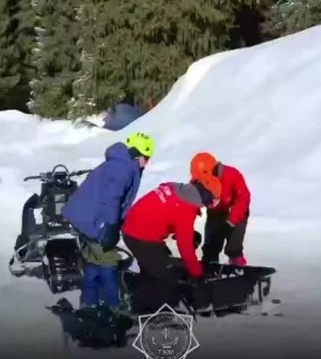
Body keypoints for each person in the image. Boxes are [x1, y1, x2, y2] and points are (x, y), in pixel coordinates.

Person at [61, 132, 154, 311]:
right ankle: (114, 307)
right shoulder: (124, 169)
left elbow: (119, 200)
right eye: (146, 157)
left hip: (84, 216)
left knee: (94, 260)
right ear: (137, 154)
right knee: (108, 260)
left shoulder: (122, 164)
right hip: (92, 219)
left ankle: (89, 301)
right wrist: (110, 226)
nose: (147, 162)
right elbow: (111, 199)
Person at [121, 175, 222, 313]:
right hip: (140, 236)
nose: (211, 205)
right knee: (168, 274)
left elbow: (164, 209)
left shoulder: (176, 188)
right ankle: (154, 312)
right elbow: (185, 248)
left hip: (135, 227)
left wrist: (179, 230)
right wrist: (197, 274)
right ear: (206, 194)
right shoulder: (186, 209)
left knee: (157, 265)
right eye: (213, 200)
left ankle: (142, 298)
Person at [189, 152, 252, 266]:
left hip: (236, 212)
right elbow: (193, 198)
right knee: (210, 248)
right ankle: (208, 269)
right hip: (215, 213)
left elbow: (244, 197)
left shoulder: (232, 174)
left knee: (234, 248)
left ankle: (237, 265)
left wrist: (232, 220)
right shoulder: (199, 180)